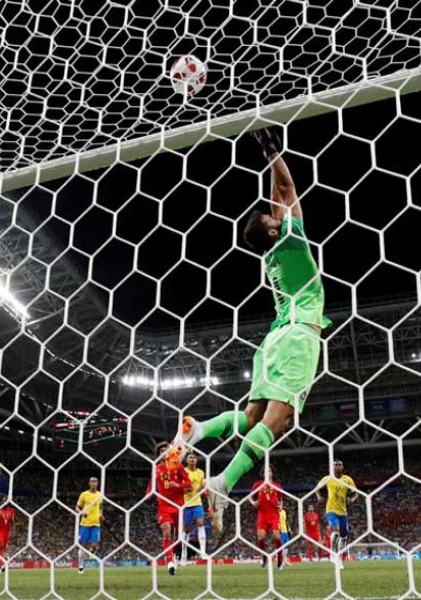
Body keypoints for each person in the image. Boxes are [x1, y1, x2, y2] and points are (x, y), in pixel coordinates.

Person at [175, 127, 330, 533]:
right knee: (278, 421)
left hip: (274, 339)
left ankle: (201, 431)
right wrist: (274, 152)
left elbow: (278, 191)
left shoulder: (271, 253)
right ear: (275, 230)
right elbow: (288, 186)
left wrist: (267, 155)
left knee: (252, 417)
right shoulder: (292, 240)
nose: (276, 211)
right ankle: (222, 482)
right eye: (272, 216)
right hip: (298, 338)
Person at [147, 442, 191, 576]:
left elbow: (188, 483)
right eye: (161, 451)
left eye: (166, 451)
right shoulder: (156, 468)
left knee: (178, 537)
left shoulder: (178, 465)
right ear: (158, 454)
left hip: (179, 505)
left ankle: (175, 556)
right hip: (164, 505)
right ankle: (170, 562)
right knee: (166, 532)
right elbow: (151, 484)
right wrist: (148, 494)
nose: (164, 453)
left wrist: (177, 485)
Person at [315, 460, 356, 569]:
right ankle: (333, 554)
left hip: (343, 511)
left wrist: (352, 499)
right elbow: (317, 488)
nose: (337, 466)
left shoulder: (347, 480)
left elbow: (355, 493)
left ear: (343, 467)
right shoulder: (328, 479)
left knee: (343, 537)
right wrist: (318, 496)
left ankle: (339, 559)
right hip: (331, 510)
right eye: (335, 465)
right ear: (332, 467)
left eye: (339, 465)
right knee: (336, 530)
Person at [250, 465, 284, 569]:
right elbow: (250, 497)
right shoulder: (258, 485)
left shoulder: (277, 485)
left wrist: (281, 505)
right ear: (262, 474)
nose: (267, 472)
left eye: (269, 470)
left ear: (272, 473)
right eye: (265, 471)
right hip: (262, 514)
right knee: (261, 538)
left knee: (277, 537)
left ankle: (280, 559)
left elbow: (281, 499)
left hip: (274, 514)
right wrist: (253, 502)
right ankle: (264, 556)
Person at [181, 453, 209, 564]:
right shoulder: (183, 471)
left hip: (197, 502)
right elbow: (181, 486)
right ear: (187, 460)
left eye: (194, 458)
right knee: (186, 529)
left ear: (196, 460)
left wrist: (203, 487)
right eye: (190, 458)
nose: (192, 459)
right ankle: (182, 554)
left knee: (200, 523)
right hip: (186, 503)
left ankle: (202, 551)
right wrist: (185, 489)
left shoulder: (201, 473)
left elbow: (202, 486)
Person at [76, 476, 103, 574]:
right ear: (89, 483)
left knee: (95, 546)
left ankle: (90, 553)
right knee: (82, 545)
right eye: (92, 481)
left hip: (96, 524)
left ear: (98, 483)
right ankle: (80, 565)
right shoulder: (84, 495)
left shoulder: (100, 495)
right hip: (85, 524)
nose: (94, 483)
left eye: (95, 482)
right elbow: (77, 507)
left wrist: (101, 515)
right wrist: (82, 512)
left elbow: (100, 507)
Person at [278, 501, 290, 567]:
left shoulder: (284, 512)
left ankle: (285, 560)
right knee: (281, 547)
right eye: (279, 505)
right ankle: (281, 561)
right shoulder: (276, 513)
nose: (280, 506)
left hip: (285, 531)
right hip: (281, 532)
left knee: (286, 546)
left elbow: (286, 521)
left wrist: (289, 528)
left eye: (280, 505)